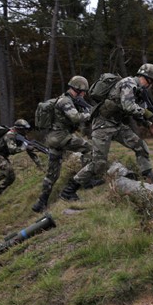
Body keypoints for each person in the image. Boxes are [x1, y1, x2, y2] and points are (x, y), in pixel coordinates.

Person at [59, 64, 153, 201]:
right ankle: (69, 190)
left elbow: (134, 111)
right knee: (99, 162)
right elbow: (129, 106)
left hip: (117, 125)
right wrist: (147, 113)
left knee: (140, 146)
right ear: (146, 79)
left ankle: (149, 176)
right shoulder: (128, 83)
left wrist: (148, 124)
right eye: (152, 82)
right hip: (103, 125)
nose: (152, 86)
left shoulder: (138, 91)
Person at [31, 76, 94, 212]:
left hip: (54, 139)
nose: (84, 94)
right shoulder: (65, 101)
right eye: (83, 91)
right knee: (90, 148)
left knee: (52, 174)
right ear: (77, 89)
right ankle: (83, 182)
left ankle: (41, 202)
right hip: (61, 137)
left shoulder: (66, 99)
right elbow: (75, 118)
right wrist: (90, 114)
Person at [0, 119, 43, 201]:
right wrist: (24, 147)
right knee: (8, 169)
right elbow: (12, 150)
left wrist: (39, 165)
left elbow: (30, 152)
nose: (26, 131)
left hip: (3, 155)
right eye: (25, 129)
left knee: (11, 177)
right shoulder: (10, 135)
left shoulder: (22, 136)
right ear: (19, 129)